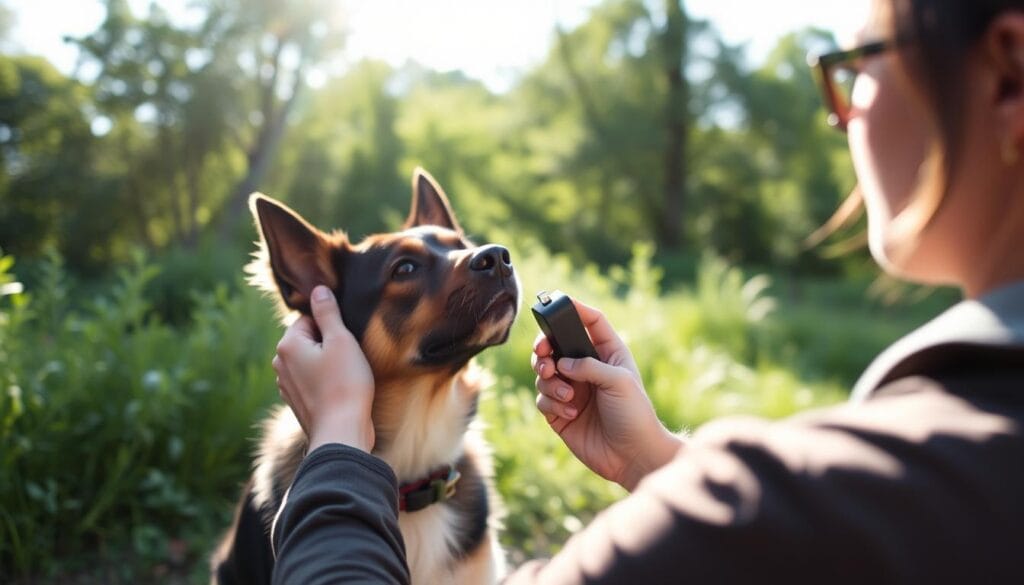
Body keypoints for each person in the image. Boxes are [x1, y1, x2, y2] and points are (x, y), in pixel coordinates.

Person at [269, 0, 1024, 582]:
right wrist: (660, 460)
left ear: (1009, 70)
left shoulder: (815, 495)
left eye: (860, 65)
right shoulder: (930, 481)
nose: (845, 113)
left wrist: (338, 436)